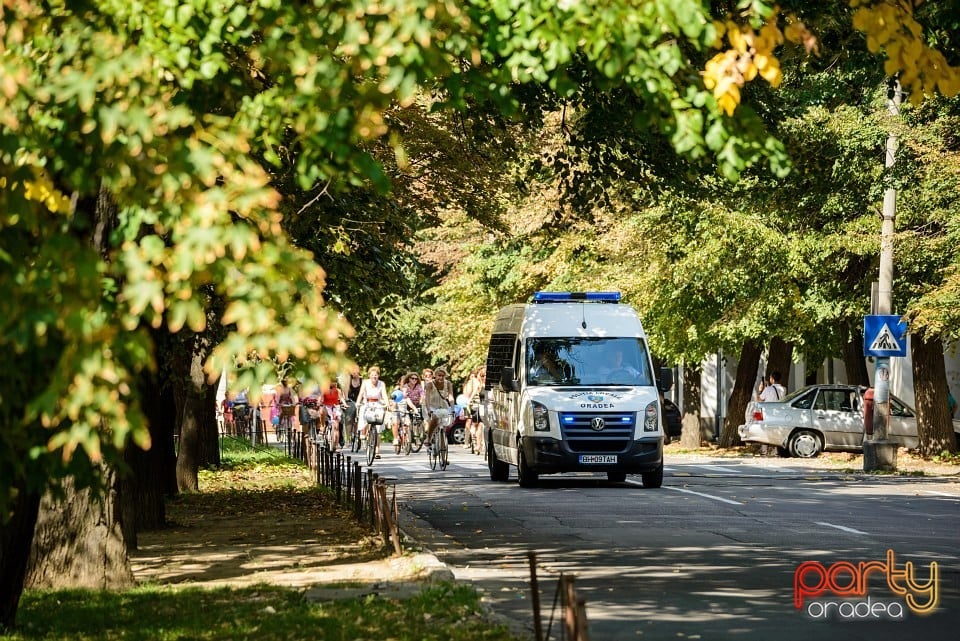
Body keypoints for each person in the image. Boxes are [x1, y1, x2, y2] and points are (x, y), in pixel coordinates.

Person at [357, 366, 388, 458]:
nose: (374, 376)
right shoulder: (365, 383)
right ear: (369, 375)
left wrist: (386, 403)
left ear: (378, 376)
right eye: (373, 375)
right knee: (365, 416)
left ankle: (377, 451)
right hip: (367, 403)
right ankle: (364, 432)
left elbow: (384, 395)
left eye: (376, 375)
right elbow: (361, 394)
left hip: (377, 403)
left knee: (378, 429)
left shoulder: (381, 384)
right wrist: (358, 402)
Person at [423, 366, 455, 451]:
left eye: (442, 376)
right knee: (435, 419)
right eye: (439, 375)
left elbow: (451, 397)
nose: (440, 377)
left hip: (443, 405)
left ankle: (443, 455)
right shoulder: (429, 384)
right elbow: (427, 398)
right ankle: (429, 438)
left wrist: (452, 408)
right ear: (435, 375)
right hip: (431, 405)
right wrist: (429, 409)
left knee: (443, 427)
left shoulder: (448, 384)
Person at [462, 368, 484, 451]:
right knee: (472, 422)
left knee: (469, 421)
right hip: (473, 403)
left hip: (468, 403)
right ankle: (471, 440)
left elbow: (465, 394)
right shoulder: (475, 382)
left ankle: (467, 442)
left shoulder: (468, 383)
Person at [320, 379, 344, 450]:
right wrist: (319, 402)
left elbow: (341, 398)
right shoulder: (324, 389)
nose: (333, 383)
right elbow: (321, 398)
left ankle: (336, 444)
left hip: (335, 407)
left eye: (335, 382)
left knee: (337, 426)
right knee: (322, 411)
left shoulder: (338, 391)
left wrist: (345, 404)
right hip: (327, 407)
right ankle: (323, 426)